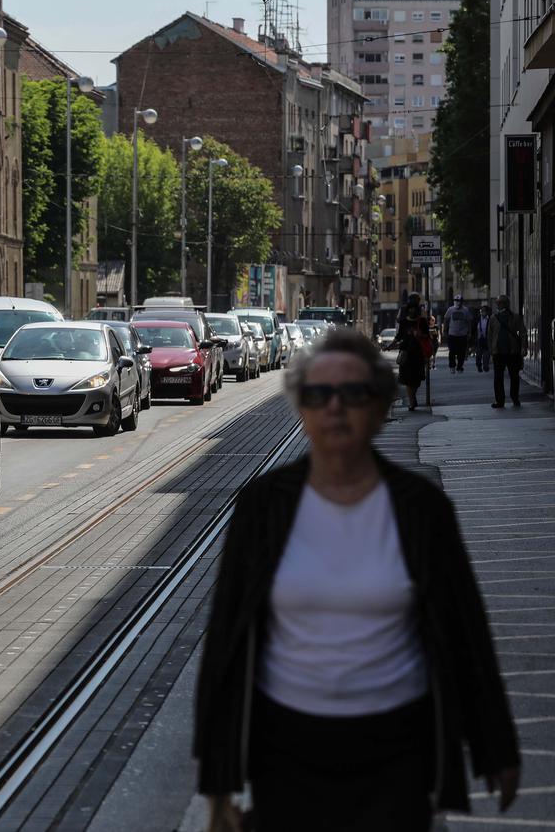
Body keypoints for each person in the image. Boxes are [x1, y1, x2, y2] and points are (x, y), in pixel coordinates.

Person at [194, 329, 520, 832]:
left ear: (381, 405)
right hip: (285, 750)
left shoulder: (421, 509)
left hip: (397, 749)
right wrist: (218, 783)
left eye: (354, 393)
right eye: (318, 395)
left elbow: (464, 629)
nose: (335, 409)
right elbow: (226, 642)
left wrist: (496, 745)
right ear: (300, 407)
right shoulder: (263, 507)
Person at [389, 295, 429, 411]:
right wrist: (390, 346)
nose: (412, 310)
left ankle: (413, 397)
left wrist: (420, 335)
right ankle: (412, 401)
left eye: (414, 308)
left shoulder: (422, 322)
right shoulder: (404, 322)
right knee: (407, 379)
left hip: (418, 353)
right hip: (406, 353)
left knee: (416, 380)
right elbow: (398, 336)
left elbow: (427, 336)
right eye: (410, 308)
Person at [487, 295, 527, 409]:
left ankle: (514, 397)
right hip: (498, 352)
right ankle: (500, 400)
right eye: (497, 303)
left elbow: (523, 333)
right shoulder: (494, 318)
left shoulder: (515, 317)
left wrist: (523, 347)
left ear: (505, 304)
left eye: (499, 303)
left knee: (514, 376)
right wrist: (491, 351)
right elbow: (489, 336)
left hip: (512, 351)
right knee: (498, 377)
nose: (497, 305)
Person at [442, 294, 472, 373]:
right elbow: (446, 320)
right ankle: (452, 366)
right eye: (456, 301)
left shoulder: (465, 310)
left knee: (461, 352)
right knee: (452, 351)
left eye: (459, 301)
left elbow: (469, 321)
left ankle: (459, 366)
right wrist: (444, 331)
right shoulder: (450, 309)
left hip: (462, 334)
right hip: (452, 334)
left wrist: (469, 332)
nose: (458, 303)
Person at [476, 303, 492, 373]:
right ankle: (479, 366)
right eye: (481, 311)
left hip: (487, 340)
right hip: (480, 340)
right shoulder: (478, 319)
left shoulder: (490, 319)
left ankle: (485, 366)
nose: (482, 312)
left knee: (486, 355)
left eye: (484, 311)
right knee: (478, 355)